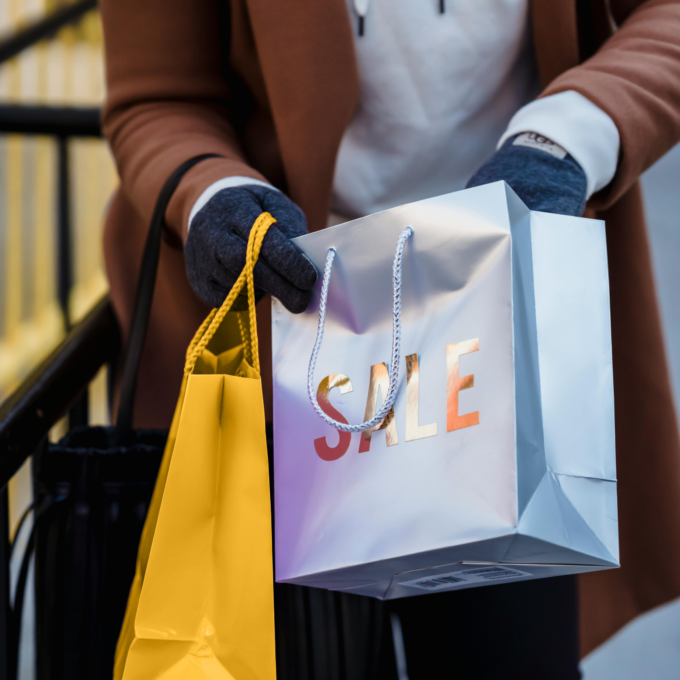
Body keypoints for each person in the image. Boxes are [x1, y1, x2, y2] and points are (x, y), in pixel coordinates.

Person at [100, 0, 680, 677]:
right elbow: (158, 96)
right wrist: (209, 191)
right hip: (286, 347)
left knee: (509, 656)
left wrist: (566, 138)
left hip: (498, 338)